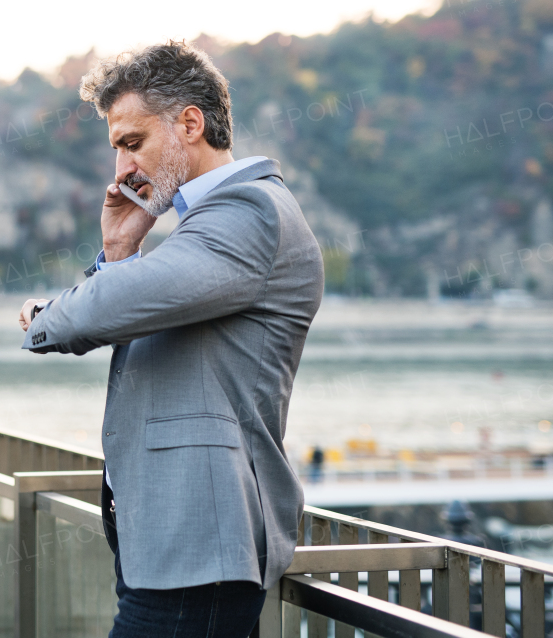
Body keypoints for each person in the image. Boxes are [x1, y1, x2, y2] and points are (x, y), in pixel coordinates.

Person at [17, 41, 324, 638]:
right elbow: (135, 307)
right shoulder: (211, 227)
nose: (122, 170)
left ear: (190, 124)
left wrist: (45, 313)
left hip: (201, 546)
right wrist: (118, 252)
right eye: (116, 150)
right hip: (173, 544)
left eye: (133, 144)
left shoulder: (249, 214)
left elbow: (104, 310)